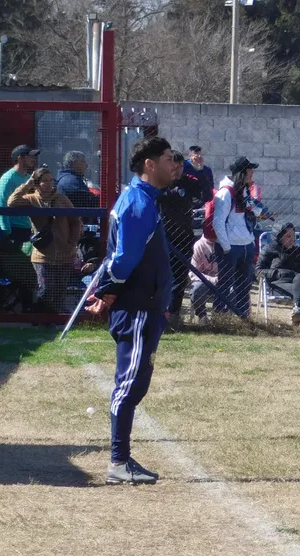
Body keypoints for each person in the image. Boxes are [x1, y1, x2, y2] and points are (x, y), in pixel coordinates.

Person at [85, 136, 176, 485]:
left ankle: (121, 461)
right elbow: (123, 261)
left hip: (146, 306)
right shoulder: (138, 202)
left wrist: (108, 295)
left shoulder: (145, 200)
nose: (174, 165)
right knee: (129, 385)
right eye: (168, 159)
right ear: (149, 165)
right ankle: (118, 463)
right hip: (138, 308)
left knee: (135, 384)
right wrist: (108, 291)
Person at [6, 167, 82, 313]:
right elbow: (12, 202)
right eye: (44, 181)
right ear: (37, 183)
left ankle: (54, 321)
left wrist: (72, 242)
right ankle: (40, 318)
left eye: (51, 180)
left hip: (64, 253)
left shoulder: (62, 199)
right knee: (46, 289)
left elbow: (75, 221)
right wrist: (27, 184)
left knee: (59, 290)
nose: (48, 184)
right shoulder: (31, 199)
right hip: (42, 254)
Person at [158, 151, 206, 327]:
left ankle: (173, 316)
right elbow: (158, 199)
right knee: (162, 278)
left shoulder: (188, 182)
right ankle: (159, 314)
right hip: (164, 237)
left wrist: (199, 170)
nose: (177, 170)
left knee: (179, 279)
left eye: (180, 167)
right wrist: (173, 192)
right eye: (174, 166)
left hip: (184, 236)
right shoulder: (161, 183)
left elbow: (206, 194)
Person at [212, 156, 258, 319]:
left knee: (244, 285)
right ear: (242, 172)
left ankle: (242, 317)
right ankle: (219, 318)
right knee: (225, 284)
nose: (252, 173)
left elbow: (249, 213)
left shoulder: (244, 190)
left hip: (246, 245)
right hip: (230, 247)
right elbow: (218, 222)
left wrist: (250, 239)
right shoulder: (226, 193)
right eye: (249, 170)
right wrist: (226, 247)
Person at [0, 144, 40, 308]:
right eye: (30, 156)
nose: (33, 159)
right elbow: (2, 206)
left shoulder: (27, 177)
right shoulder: (8, 179)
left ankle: (27, 306)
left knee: (28, 271)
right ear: (20, 158)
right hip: (14, 232)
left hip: (27, 230)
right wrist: (6, 233)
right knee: (19, 271)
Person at [256, 222, 300, 327]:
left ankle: (297, 311)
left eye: (294, 236)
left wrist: (299, 258)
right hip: (279, 286)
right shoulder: (269, 249)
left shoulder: (297, 251)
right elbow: (258, 271)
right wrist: (279, 273)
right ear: (279, 237)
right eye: (288, 236)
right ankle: (297, 317)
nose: (292, 239)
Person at [189, 235, 218, 324]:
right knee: (197, 289)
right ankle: (202, 316)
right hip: (203, 280)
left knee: (232, 290)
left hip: (222, 279)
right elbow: (194, 273)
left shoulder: (225, 244)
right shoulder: (199, 245)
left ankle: (219, 318)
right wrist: (212, 279)